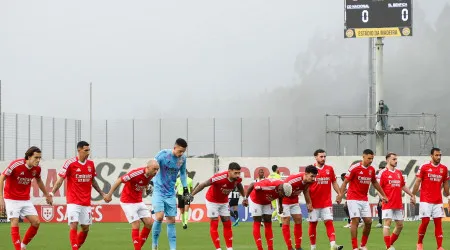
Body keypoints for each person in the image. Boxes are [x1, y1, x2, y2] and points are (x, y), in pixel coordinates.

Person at [50, 141, 105, 250]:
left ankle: (75, 247)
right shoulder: (70, 163)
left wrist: (102, 193)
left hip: (86, 202)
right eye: (86, 150)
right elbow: (60, 180)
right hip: (73, 201)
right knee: (73, 224)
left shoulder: (91, 164)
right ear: (79, 150)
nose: (88, 152)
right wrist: (51, 193)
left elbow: (93, 181)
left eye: (89, 150)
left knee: (85, 228)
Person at [0, 146, 53, 250]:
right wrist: (1, 197)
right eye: (36, 157)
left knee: (36, 222)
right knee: (14, 221)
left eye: (40, 158)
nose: (38, 160)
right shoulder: (16, 164)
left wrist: (47, 195)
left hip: (25, 199)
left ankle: (23, 245)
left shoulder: (37, 169)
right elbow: (2, 177)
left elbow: (39, 181)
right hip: (11, 198)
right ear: (28, 157)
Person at [337, 149, 388, 250]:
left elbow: (375, 183)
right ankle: (355, 247)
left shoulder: (371, 170)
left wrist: (383, 195)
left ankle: (363, 245)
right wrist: (340, 195)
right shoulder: (355, 168)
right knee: (355, 221)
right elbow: (345, 182)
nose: (370, 160)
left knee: (368, 222)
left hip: (364, 199)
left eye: (372, 158)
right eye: (369, 158)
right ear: (363, 157)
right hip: (353, 198)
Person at [104, 160, 160, 250]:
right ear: (148, 168)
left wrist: (146, 189)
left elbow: (144, 182)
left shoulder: (151, 175)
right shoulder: (136, 173)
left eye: (157, 169)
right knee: (136, 224)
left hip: (138, 201)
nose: (156, 172)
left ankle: (137, 248)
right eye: (154, 169)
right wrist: (109, 194)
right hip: (128, 201)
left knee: (149, 222)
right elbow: (120, 180)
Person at [189, 162, 245, 250]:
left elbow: (239, 185)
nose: (238, 175)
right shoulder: (219, 177)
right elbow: (203, 184)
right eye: (235, 173)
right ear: (229, 171)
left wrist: (244, 197)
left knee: (227, 223)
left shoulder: (237, 179)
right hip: (212, 201)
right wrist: (192, 195)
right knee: (215, 223)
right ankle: (218, 248)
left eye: (239, 173)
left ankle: (229, 248)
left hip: (224, 202)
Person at [151, 138, 189, 250]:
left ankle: (173, 248)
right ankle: (154, 245)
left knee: (171, 220)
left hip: (170, 193)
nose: (181, 153)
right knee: (159, 216)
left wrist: (185, 188)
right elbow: (152, 166)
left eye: (183, 151)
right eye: (180, 151)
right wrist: (148, 181)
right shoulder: (163, 155)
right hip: (158, 191)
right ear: (175, 147)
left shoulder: (182, 159)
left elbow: (182, 174)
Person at [412, 148, 449, 250]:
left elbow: (445, 183)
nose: (439, 157)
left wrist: (448, 196)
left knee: (438, 223)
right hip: (425, 200)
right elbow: (418, 181)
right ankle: (419, 243)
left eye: (440, 155)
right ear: (431, 155)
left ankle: (439, 246)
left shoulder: (444, 169)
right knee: (425, 222)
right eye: (436, 155)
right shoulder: (424, 167)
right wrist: (413, 195)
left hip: (438, 201)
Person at [307, 149, 344, 250]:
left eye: (324, 156)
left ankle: (333, 245)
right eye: (321, 156)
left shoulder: (329, 169)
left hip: (326, 203)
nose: (323, 158)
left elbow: (334, 182)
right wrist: (308, 202)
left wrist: (340, 194)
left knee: (329, 222)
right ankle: (313, 247)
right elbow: (306, 187)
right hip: (313, 203)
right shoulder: (311, 169)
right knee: (313, 224)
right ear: (315, 157)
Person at [378, 152, 415, 250]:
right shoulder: (383, 173)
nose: (396, 161)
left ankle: (389, 244)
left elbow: (402, 185)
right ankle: (388, 246)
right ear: (387, 160)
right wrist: (382, 197)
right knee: (388, 222)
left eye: (396, 159)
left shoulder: (398, 173)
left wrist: (411, 195)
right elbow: (378, 187)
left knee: (400, 225)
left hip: (397, 203)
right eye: (394, 159)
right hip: (388, 202)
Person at [245, 178, 293, 250]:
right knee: (257, 221)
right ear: (280, 190)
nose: (283, 197)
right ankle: (260, 248)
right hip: (256, 200)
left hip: (267, 201)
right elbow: (252, 185)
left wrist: (280, 206)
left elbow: (280, 196)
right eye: (283, 195)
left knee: (268, 222)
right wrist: (245, 198)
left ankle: (270, 248)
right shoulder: (266, 185)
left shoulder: (282, 186)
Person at [281, 165, 317, 250]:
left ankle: (298, 246)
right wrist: (279, 205)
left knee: (298, 219)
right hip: (284, 200)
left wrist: (309, 203)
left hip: (294, 200)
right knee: (286, 220)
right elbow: (281, 190)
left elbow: (306, 190)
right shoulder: (292, 181)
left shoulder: (309, 181)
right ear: (306, 174)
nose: (313, 179)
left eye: (314, 177)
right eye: (312, 176)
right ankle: (289, 247)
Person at [375, 164, 386, 228]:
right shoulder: (378, 178)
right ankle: (380, 222)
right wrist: (381, 198)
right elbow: (378, 189)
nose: (380, 171)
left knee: (382, 207)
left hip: (387, 195)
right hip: (382, 195)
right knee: (379, 207)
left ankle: (383, 222)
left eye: (381, 169)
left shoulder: (385, 176)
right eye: (379, 169)